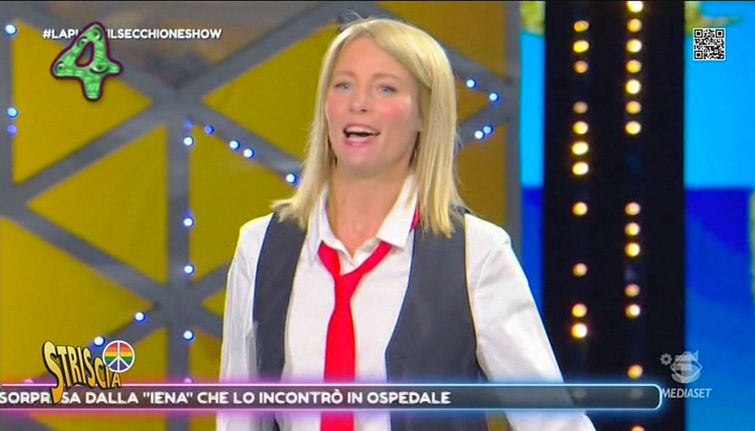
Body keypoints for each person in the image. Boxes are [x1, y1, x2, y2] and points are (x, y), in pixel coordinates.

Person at [218, 15, 596, 431]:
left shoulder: (477, 253)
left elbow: (553, 421)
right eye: (343, 85)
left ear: (424, 115)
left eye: (385, 88)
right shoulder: (260, 246)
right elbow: (238, 418)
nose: (358, 103)